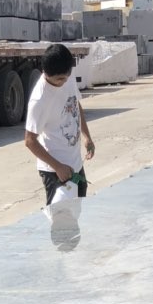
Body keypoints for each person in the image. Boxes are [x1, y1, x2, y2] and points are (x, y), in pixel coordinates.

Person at [24, 43, 94, 211]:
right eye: (58, 79)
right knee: (60, 220)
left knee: (77, 213)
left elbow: (75, 104)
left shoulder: (67, 77)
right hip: (55, 172)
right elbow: (30, 141)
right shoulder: (40, 100)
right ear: (45, 73)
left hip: (75, 165)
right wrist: (57, 167)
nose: (63, 82)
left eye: (65, 77)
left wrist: (87, 136)